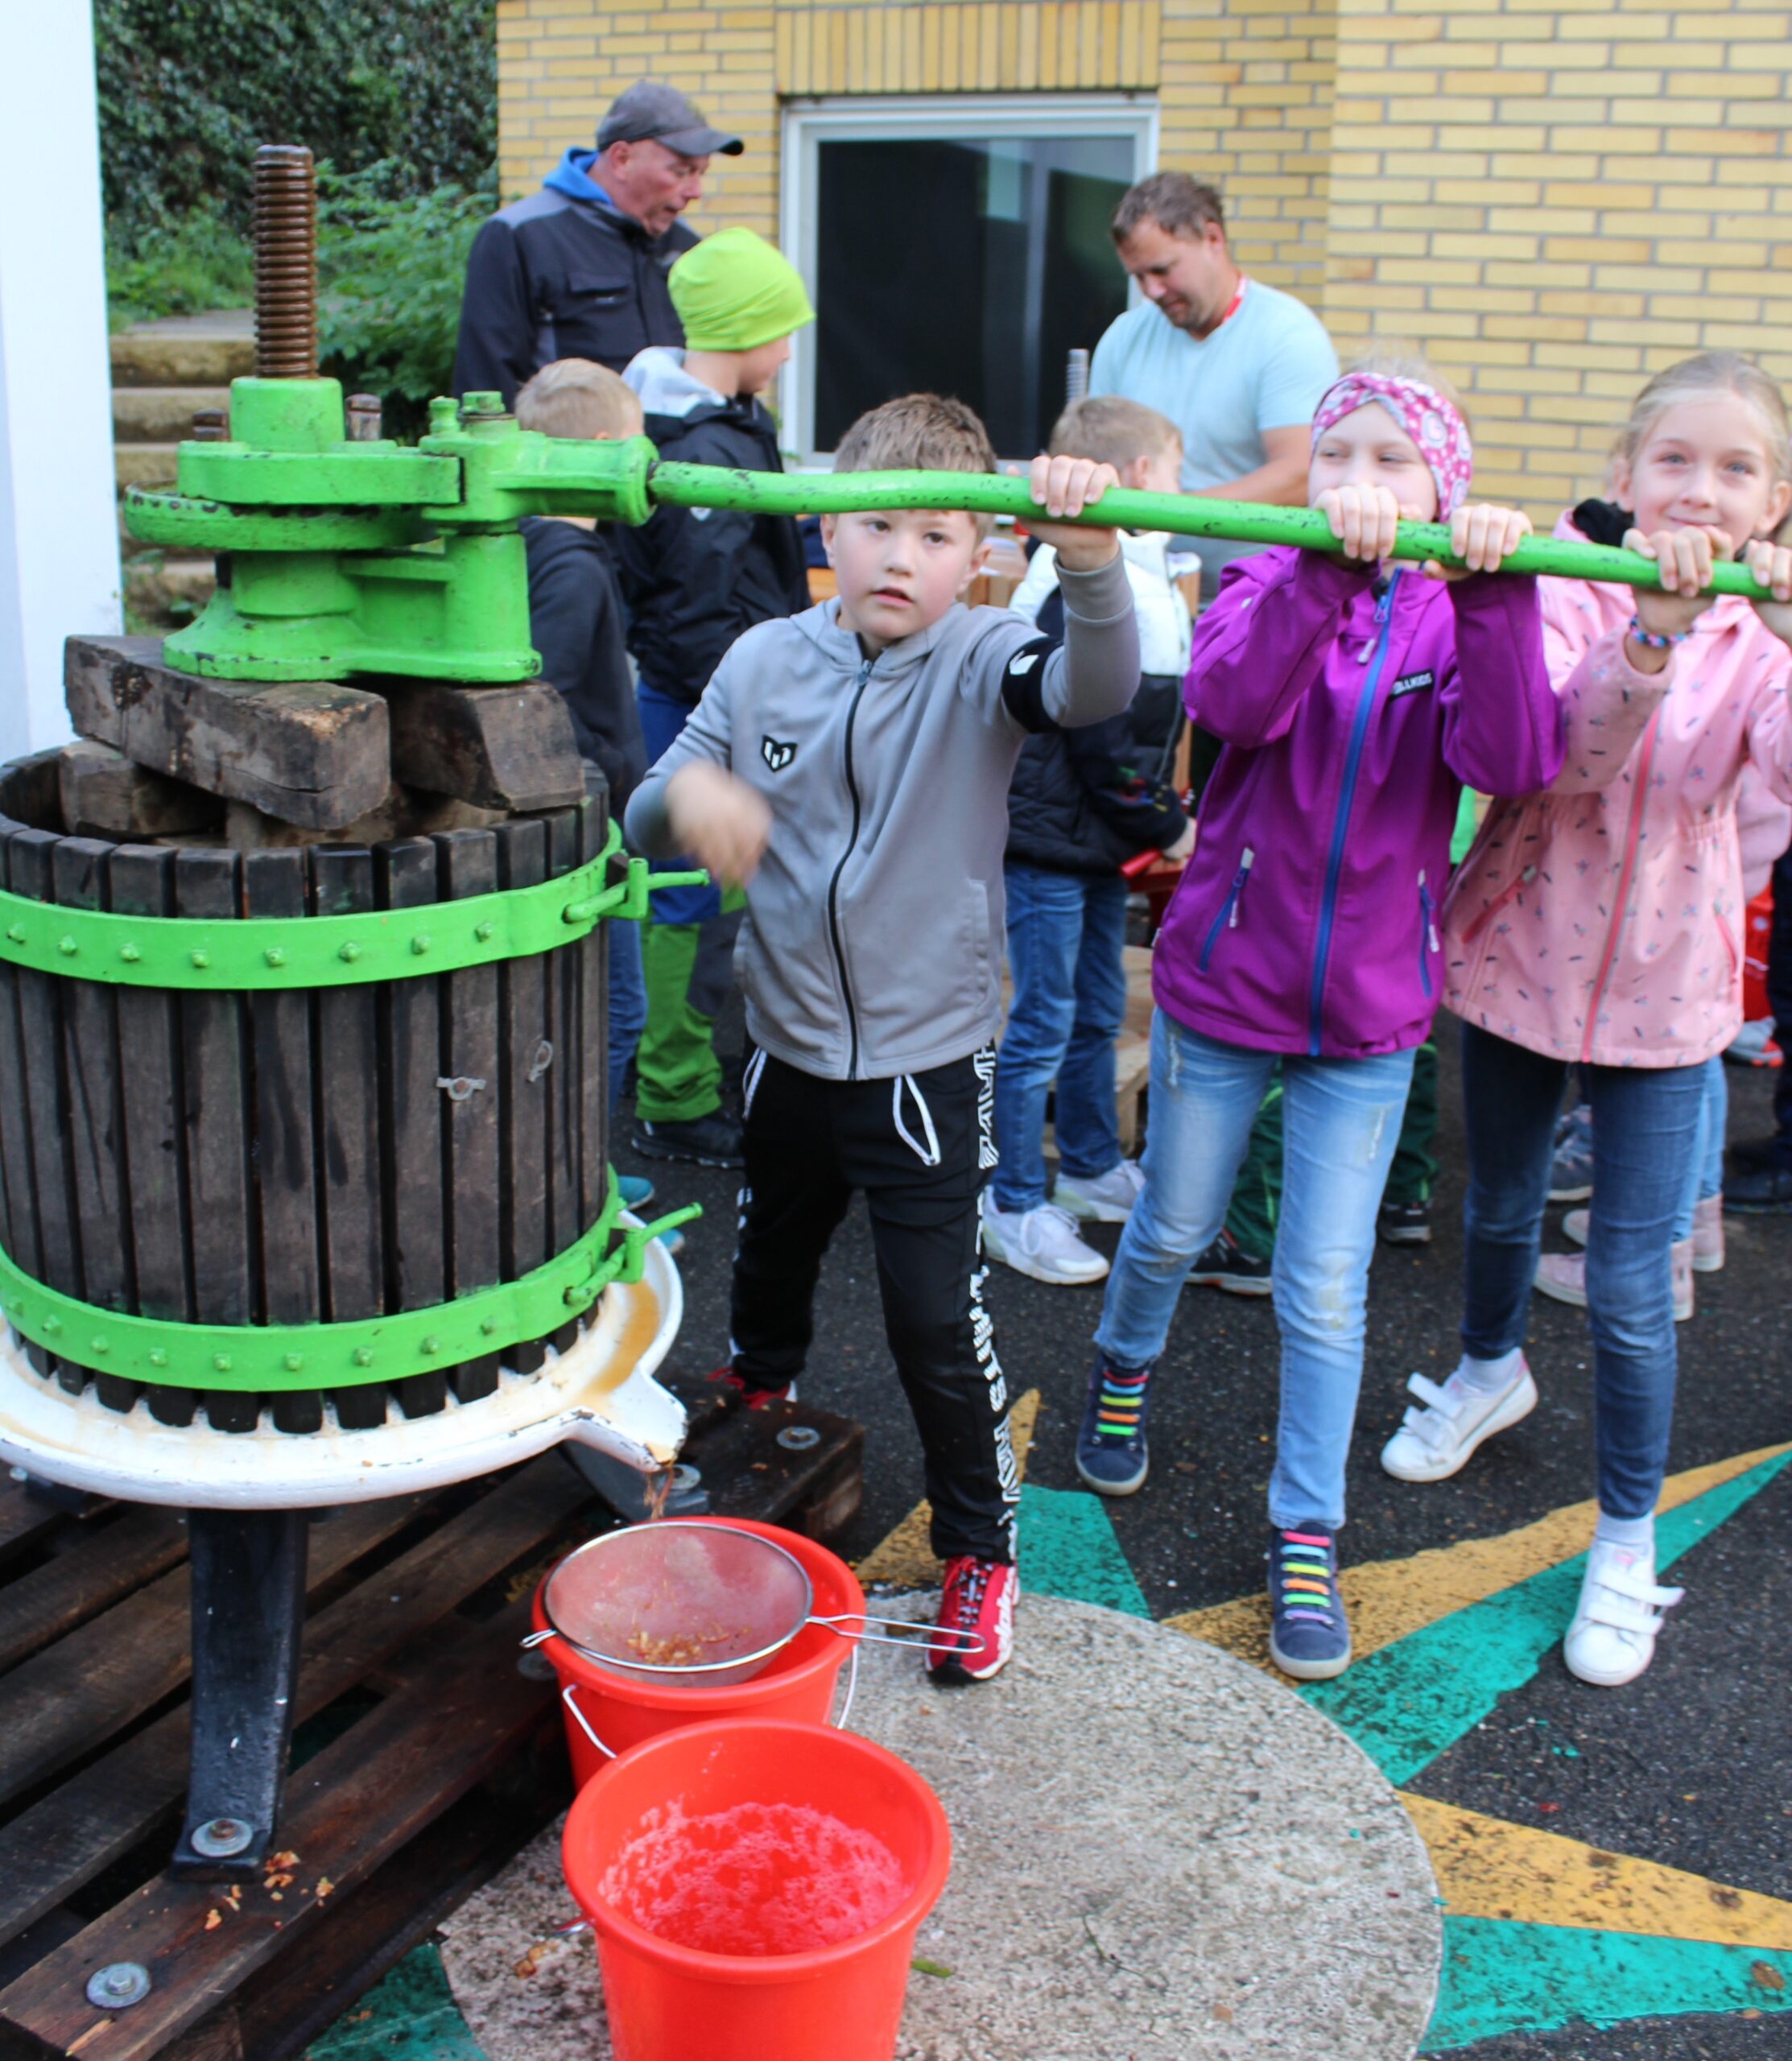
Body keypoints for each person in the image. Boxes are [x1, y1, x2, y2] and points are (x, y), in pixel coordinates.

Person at [623, 395, 1143, 1683]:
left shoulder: (983, 660)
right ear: (824, 531)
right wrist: (689, 793)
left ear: (979, 556)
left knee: (929, 1316)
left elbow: (1094, 684)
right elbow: (647, 803)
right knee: (771, 1250)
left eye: (936, 533)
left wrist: (1086, 561)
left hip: (925, 1058)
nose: (899, 555)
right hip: (783, 1035)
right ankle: (758, 1398)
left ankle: (979, 1549)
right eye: (873, 526)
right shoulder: (762, 661)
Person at [1080, 356, 1560, 1692]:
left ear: (1442, 488)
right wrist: (1322, 571)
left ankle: (1307, 1529)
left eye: (1390, 463)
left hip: (1369, 1013)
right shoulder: (1263, 571)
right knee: (1173, 1225)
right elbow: (1229, 708)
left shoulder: (1455, 615)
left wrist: (1498, 599)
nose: (1356, 485)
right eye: (1336, 457)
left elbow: (1512, 764)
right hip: (1225, 983)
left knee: (1324, 1287)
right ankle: (1122, 1366)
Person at [1383, 350, 1792, 1689]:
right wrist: (1652, 633)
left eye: (1736, 469)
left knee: (1628, 1288)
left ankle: (1625, 1545)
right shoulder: (1568, 584)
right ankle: (1487, 1371)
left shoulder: (1768, 629)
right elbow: (1560, 759)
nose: (1699, 489)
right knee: (1496, 1205)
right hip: (1518, 957)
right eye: (1675, 459)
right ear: (1625, 477)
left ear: (1772, 504)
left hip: (1671, 999)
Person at [982, 396, 1194, 1287]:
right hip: (1054, 842)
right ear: (1141, 476)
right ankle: (1014, 1199)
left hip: (1096, 839)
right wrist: (1166, 820)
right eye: (1177, 474)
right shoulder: (1091, 587)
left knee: (1098, 1010)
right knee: (1041, 1018)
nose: (1181, 491)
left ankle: (1093, 1164)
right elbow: (1101, 736)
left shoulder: (1138, 577)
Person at [615, 229, 815, 1169]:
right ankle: (673, 1096)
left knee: (712, 897)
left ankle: (685, 1067)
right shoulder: (702, 444)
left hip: (714, 691)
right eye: (784, 333)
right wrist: (743, 711)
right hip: (705, 701)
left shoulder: (719, 420)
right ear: (748, 331)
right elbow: (698, 605)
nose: (789, 351)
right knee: (691, 904)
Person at [511, 360, 653, 1193]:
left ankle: (562, 1170)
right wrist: (605, 776)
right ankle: (572, 1182)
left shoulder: (526, 544)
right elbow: (546, 700)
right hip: (588, 820)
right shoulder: (573, 565)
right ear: (603, 452)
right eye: (636, 447)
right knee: (616, 1007)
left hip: (578, 813)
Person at [1090, 171, 1338, 597]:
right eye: (1139, 277)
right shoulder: (1123, 336)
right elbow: (1091, 455)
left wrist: (1171, 513)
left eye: (1163, 270)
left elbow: (1300, 474)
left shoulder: (1287, 335)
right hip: (1137, 594)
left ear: (1213, 239)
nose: (1152, 290)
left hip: (1256, 599)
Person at [452, 80, 741, 404]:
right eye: (681, 172)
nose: (695, 191)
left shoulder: (687, 245)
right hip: (565, 453)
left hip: (669, 454)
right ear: (621, 159)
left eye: (701, 173)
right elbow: (484, 389)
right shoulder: (520, 236)